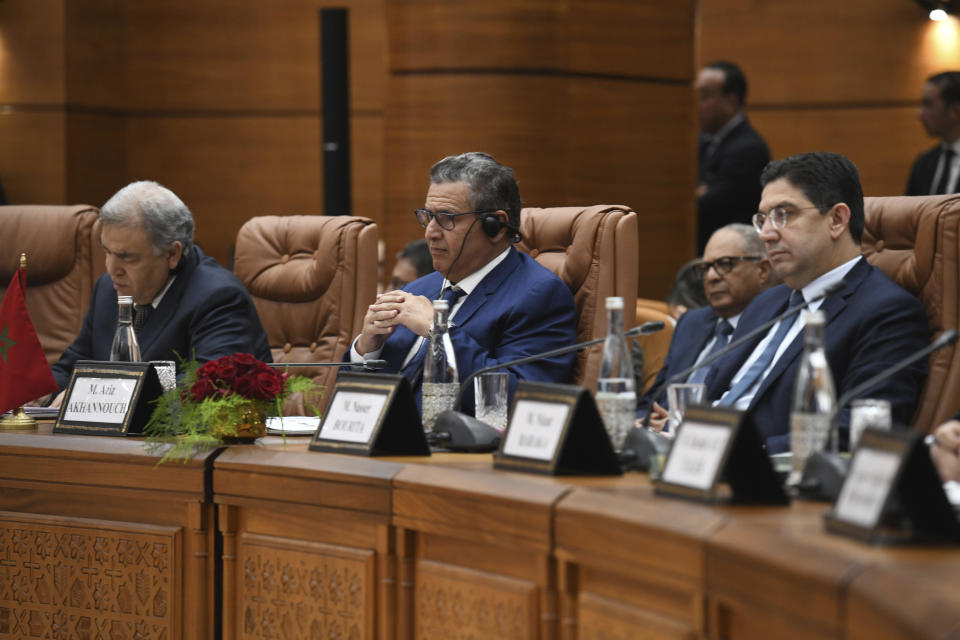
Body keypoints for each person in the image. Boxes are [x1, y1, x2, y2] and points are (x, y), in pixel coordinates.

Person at [704, 152, 930, 453]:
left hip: (769, 479)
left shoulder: (887, 312)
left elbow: (862, 430)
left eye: (784, 214)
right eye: (763, 219)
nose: (768, 234)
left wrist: (736, 452)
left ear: (837, 220)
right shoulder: (765, 304)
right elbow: (714, 393)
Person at [348, 152, 577, 413]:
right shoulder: (416, 290)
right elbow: (355, 403)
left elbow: (519, 400)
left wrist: (438, 330)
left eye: (447, 218)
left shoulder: (538, 295)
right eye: (427, 216)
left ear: (496, 225)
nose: (430, 232)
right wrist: (366, 350)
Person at [48, 180, 272, 400]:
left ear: (172, 254)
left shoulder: (219, 297)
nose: (111, 269)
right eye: (107, 252)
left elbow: (207, 386)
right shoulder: (108, 289)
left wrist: (93, 397)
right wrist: (38, 393)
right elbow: (72, 367)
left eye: (127, 257)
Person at [640, 224, 772, 429]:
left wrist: (673, 427)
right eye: (706, 267)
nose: (712, 277)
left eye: (725, 264)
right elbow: (651, 401)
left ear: (762, 270)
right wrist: (642, 421)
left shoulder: (773, 327)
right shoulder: (692, 322)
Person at [696, 61, 771, 254]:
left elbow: (704, 207)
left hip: (733, 255)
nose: (696, 104)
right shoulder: (702, 142)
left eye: (704, 96)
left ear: (731, 101)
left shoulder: (747, 148)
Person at [906, 71, 960, 196]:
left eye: (928, 105)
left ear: (956, 111)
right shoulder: (923, 164)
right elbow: (909, 212)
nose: (920, 114)